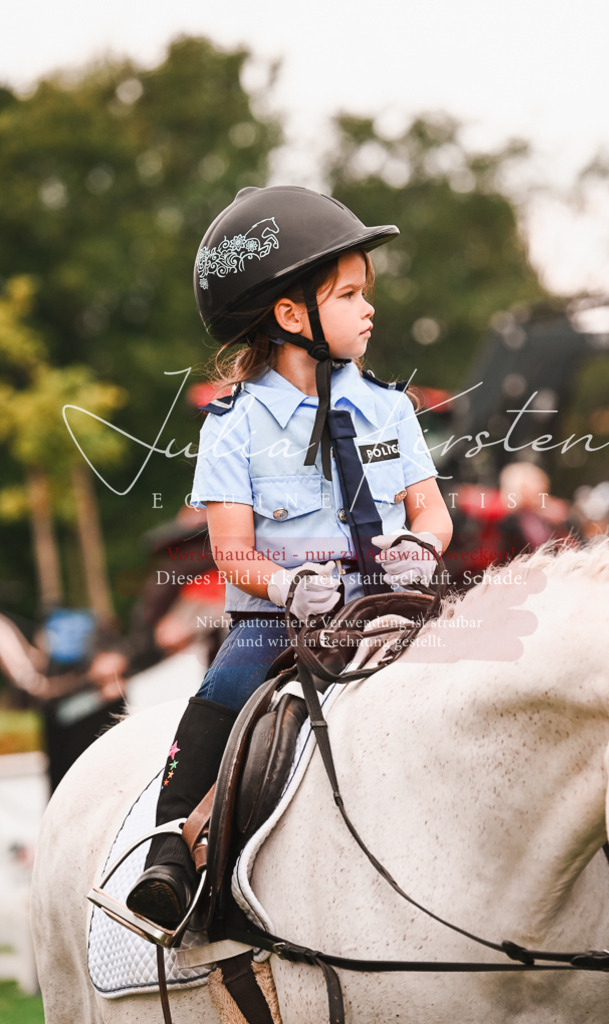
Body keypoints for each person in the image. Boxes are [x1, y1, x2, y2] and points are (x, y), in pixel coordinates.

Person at [126, 185, 453, 928]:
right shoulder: (233, 424)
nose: (369, 309)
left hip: (391, 606)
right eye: (349, 295)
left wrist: (421, 546)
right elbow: (231, 552)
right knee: (228, 681)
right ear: (290, 315)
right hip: (284, 620)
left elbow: (431, 510)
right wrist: (286, 584)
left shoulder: (389, 408)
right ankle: (167, 855)